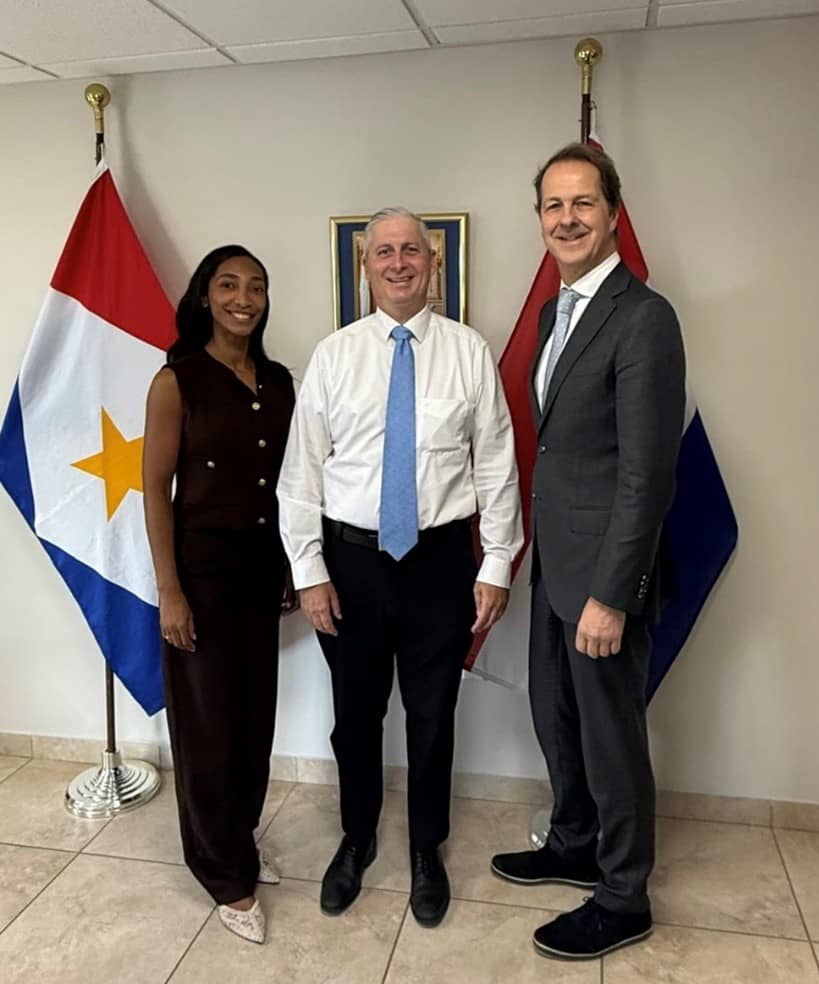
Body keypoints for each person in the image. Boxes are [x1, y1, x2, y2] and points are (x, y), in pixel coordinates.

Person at [277, 207, 522, 928]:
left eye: (410, 250)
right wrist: (308, 571)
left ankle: (425, 848)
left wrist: (497, 562)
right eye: (382, 251)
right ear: (365, 266)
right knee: (355, 717)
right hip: (349, 565)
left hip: (440, 565)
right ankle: (356, 839)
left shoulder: (468, 352)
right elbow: (301, 475)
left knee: (433, 716)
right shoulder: (333, 356)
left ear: (432, 261)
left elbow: (497, 465)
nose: (397, 262)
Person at [490, 144, 686, 960]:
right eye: (552, 205)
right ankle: (573, 842)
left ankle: (622, 893)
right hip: (554, 567)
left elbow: (646, 472)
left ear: (611, 213)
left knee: (610, 737)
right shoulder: (552, 313)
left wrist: (612, 594)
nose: (565, 218)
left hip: (603, 576)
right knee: (555, 717)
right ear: (539, 218)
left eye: (582, 203)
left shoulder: (643, 317)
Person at [143, 245, 296, 944]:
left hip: (261, 572)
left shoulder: (278, 381)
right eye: (229, 285)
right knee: (206, 728)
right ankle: (223, 874)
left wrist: (292, 567)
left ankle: (239, 839)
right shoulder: (177, 381)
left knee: (251, 719)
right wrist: (169, 591)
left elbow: (291, 484)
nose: (244, 298)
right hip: (199, 577)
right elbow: (154, 489)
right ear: (204, 296)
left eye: (256, 287)